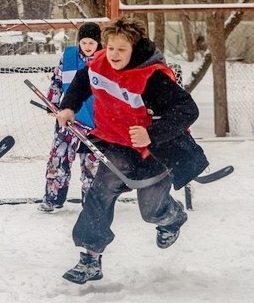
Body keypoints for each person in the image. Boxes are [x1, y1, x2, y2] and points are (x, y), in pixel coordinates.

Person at [55, 17, 208, 284]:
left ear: (134, 49)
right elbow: (82, 82)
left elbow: (188, 111)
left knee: (150, 212)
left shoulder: (153, 77)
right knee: (100, 192)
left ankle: (172, 217)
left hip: (155, 152)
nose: (113, 55)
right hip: (117, 144)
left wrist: (151, 134)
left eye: (121, 50)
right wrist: (69, 106)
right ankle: (90, 258)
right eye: (110, 47)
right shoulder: (100, 62)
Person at [38, 22, 102, 212]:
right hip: (67, 120)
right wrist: (53, 103)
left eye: (91, 42)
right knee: (59, 160)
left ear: (98, 42)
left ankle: (91, 202)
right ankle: (53, 198)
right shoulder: (68, 56)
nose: (88, 46)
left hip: (94, 123)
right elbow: (57, 81)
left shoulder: (104, 60)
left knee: (92, 165)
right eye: (84, 42)